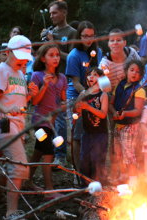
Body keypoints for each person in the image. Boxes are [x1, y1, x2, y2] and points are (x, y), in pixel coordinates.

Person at [0, 35, 38, 219]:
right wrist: (7, 110)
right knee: (19, 164)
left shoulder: (20, 74)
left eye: (25, 57)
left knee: (11, 162)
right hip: (4, 123)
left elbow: (18, 100)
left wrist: (31, 95)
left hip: (18, 123)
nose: (23, 60)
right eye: (19, 56)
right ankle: (11, 212)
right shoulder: (0, 70)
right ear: (8, 52)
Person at [24, 44, 67, 198]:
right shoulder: (36, 75)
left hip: (52, 123)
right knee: (48, 152)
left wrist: (64, 105)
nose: (55, 58)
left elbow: (62, 100)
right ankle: (49, 190)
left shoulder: (62, 78)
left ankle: (27, 181)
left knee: (38, 152)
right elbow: (34, 102)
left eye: (57, 55)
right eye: (51, 55)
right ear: (43, 58)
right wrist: (45, 84)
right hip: (39, 122)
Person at [42, 0, 77, 166]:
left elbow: (70, 58)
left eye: (54, 13)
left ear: (64, 12)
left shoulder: (72, 33)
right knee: (48, 118)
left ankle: (61, 155)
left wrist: (53, 44)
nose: (51, 16)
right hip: (48, 79)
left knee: (61, 120)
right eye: (50, 13)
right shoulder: (50, 32)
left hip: (64, 80)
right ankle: (48, 150)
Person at [65, 20, 102, 173]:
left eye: (91, 36)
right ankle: (77, 171)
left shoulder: (98, 53)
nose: (88, 39)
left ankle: (90, 168)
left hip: (93, 97)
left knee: (92, 133)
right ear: (79, 37)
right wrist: (87, 94)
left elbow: (99, 75)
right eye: (85, 36)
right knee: (77, 136)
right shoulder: (74, 55)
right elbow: (75, 82)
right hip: (77, 98)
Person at [109, 59, 146, 186]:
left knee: (129, 154)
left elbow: (138, 110)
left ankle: (133, 181)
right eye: (132, 70)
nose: (134, 73)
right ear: (126, 71)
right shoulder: (120, 85)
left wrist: (125, 113)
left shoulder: (139, 90)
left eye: (138, 72)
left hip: (130, 126)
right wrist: (114, 112)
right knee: (118, 153)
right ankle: (122, 176)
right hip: (118, 125)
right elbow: (111, 103)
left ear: (141, 76)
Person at [74, 68, 108, 183]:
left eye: (95, 74)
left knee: (97, 159)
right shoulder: (84, 94)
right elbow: (77, 109)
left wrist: (88, 107)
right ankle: (85, 185)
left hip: (100, 134)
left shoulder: (103, 95)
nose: (91, 77)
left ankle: (97, 185)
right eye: (89, 75)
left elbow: (103, 114)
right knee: (85, 158)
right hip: (87, 133)